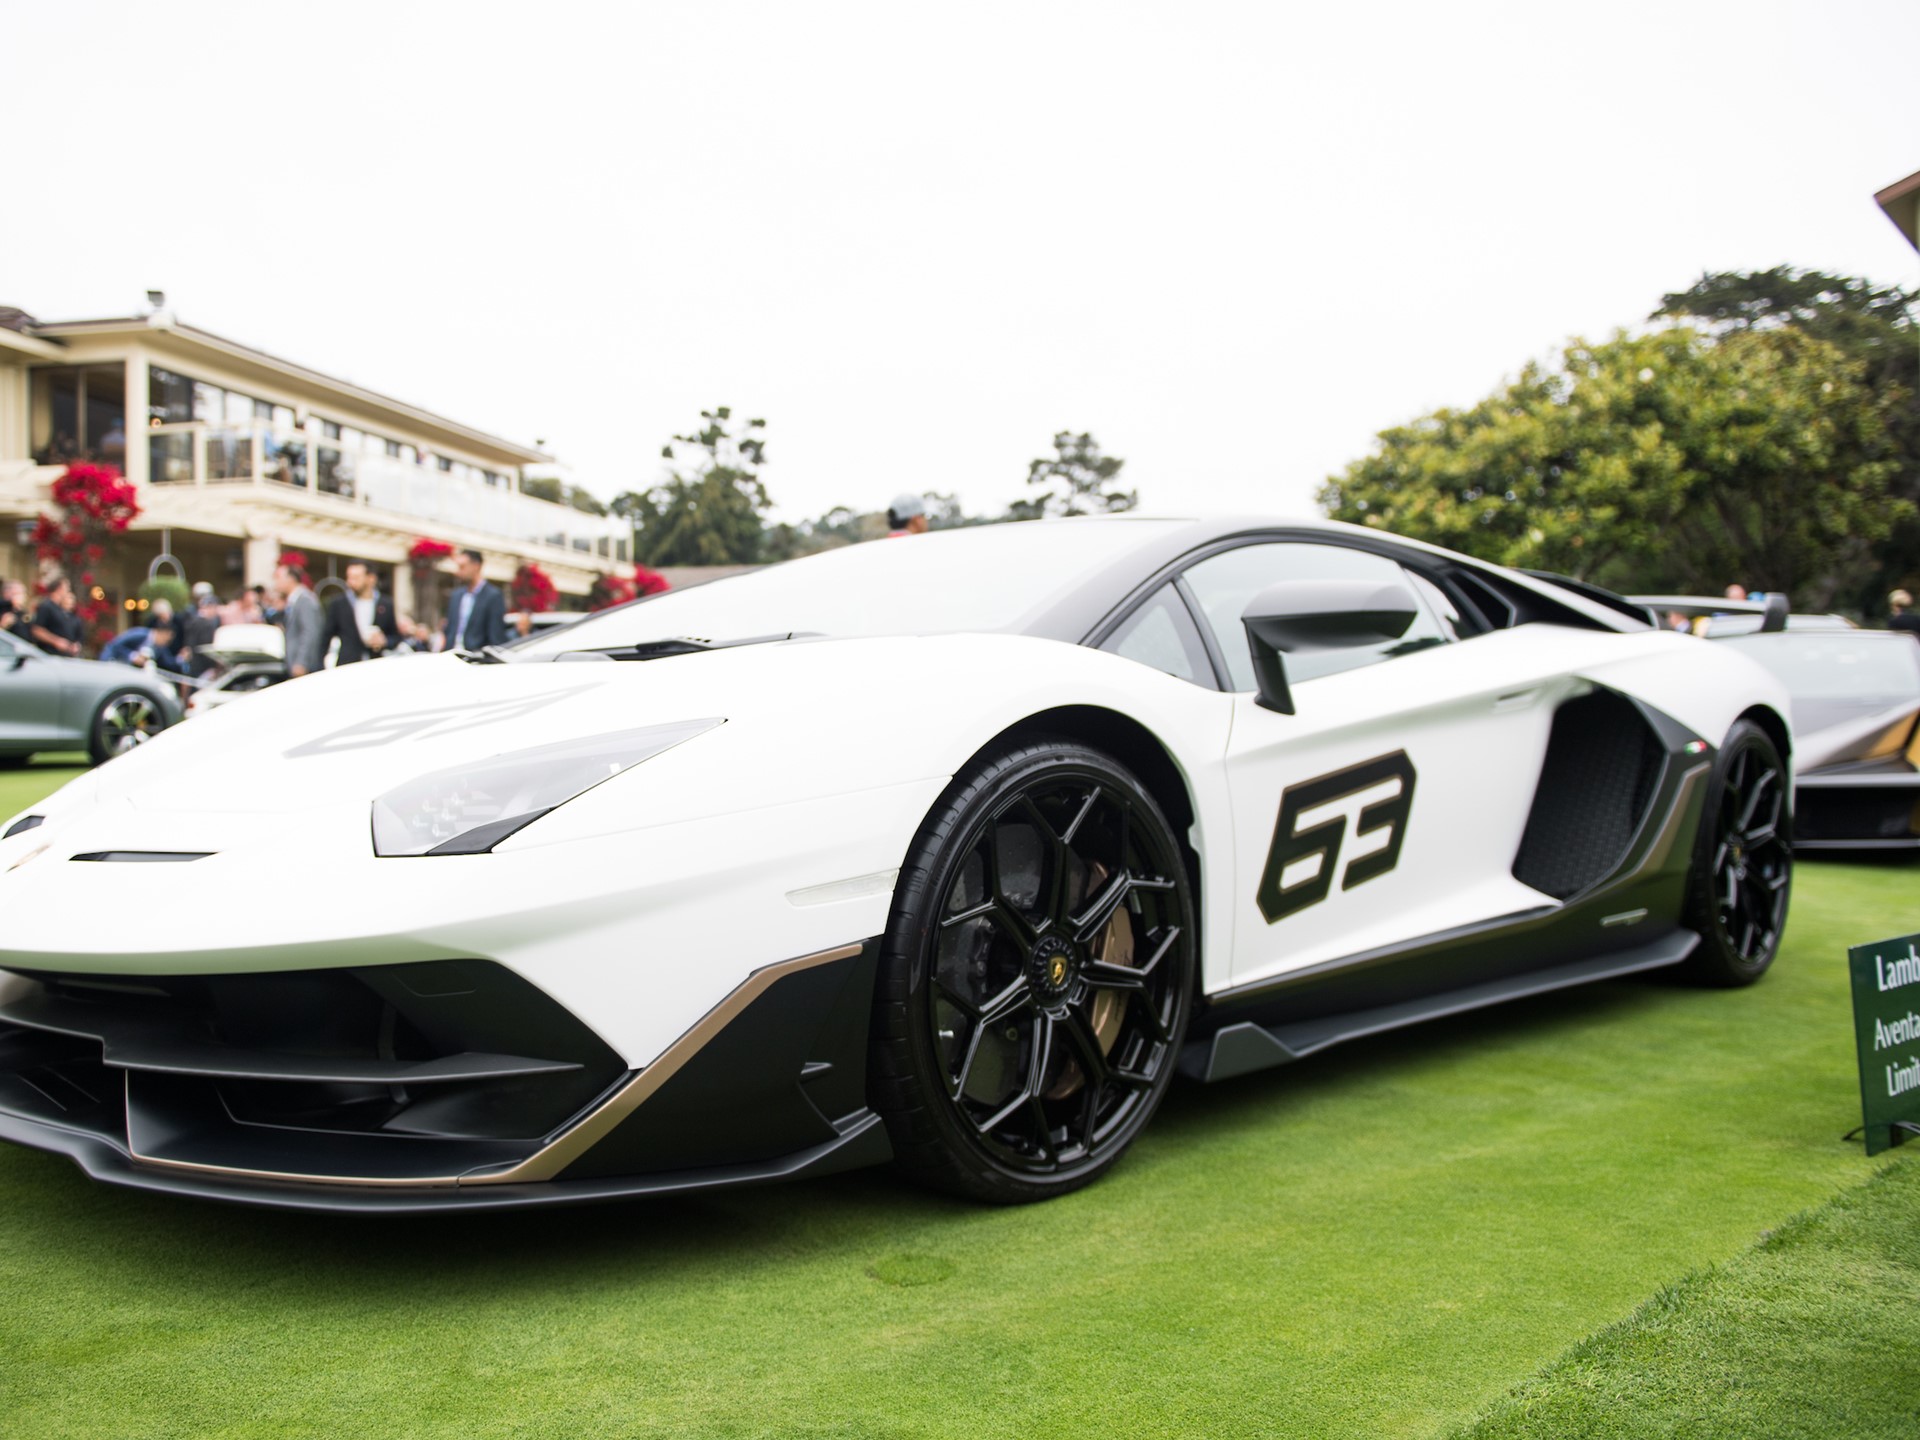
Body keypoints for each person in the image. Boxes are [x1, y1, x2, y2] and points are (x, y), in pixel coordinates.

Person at [324, 560, 399, 664]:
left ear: (371, 579)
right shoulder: (339, 603)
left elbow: (396, 637)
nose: (350, 582)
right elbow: (325, 637)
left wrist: (384, 641)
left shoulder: (386, 604)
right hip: (347, 666)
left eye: (355, 578)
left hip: (376, 665)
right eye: (349, 577)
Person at [443, 548, 507, 651]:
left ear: (476, 566)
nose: (458, 572)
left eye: (462, 567)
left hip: (475, 659)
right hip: (451, 656)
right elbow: (449, 629)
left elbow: (496, 636)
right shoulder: (456, 596)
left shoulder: (493, 596)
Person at [275, 561, 324, 677]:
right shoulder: (295, 600)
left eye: (278, 578)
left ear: (291, 579)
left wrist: (301, 662)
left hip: (303, 667)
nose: (276, 583)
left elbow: (309, 632)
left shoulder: (305, 600)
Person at [101, 619, 188, 674]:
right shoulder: (140, 634)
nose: (167, 642)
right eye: (167, 639)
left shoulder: (160, 648)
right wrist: (132, 656)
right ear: (161, 633)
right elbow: (115, 645)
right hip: (115, 666)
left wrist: (181, 658)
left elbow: (168, 662)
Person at [29, 576, 85, 656]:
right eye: (67, 588)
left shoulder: (60, 609)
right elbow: (37, 630)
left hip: (64, 656)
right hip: (50, 654)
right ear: (59, 589)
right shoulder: (46, 606)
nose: (68, 591)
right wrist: (55, 641)